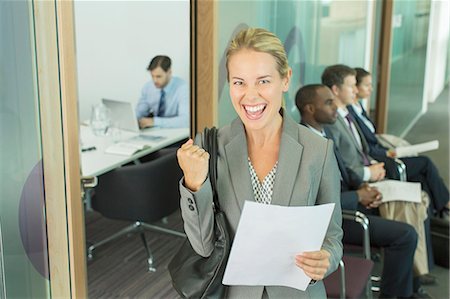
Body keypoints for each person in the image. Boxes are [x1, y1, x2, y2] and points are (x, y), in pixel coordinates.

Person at [177, 28, 343, 298]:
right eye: (239, 82)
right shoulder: (210, 147)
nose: (250, 96)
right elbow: (204, 247)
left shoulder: (319, 151)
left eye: (263, 81)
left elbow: (333, 236)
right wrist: (194, 184)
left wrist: (327, 258)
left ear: (285, 79)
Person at [296, 84, 434, 298]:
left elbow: (346, 175)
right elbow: (315, 203)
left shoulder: (324, 136)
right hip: (338, 219)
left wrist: (363, 188)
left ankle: (411, 289)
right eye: (328, 102)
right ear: (310, 109)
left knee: (410, 211)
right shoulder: (304, 145)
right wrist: (358, 196)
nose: (335, 108)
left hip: (353, 201)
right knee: (405, 235)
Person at [352, 67, 450, 217]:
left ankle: (431, 214)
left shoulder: (359, 108)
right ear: (355, 88)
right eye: (367, 85)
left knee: (420, 179)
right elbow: (365, 147)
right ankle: (444, 205)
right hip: (378, 158)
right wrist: (386, 152)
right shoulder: (349, 113)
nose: (371, 89)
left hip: (382, 151)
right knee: (425, 163)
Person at [321, 65, 386, 183]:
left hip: (369, 171)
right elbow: (339, 166)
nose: (356, 91)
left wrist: (374, 165)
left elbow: (362, 150)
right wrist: (369, 173)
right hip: (357, 182)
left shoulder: (348, 113)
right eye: (351, 86)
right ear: (336, 90)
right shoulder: (331, 121)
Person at [135, 55, 189, 128]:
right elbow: (139, 113)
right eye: (152, 76)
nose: (155, 80)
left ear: (169, 72)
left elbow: (186, 121)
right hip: (155, 132)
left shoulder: (183, 88)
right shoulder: (148, 87)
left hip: (176, 132)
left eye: (158, 76)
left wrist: (154, 122)